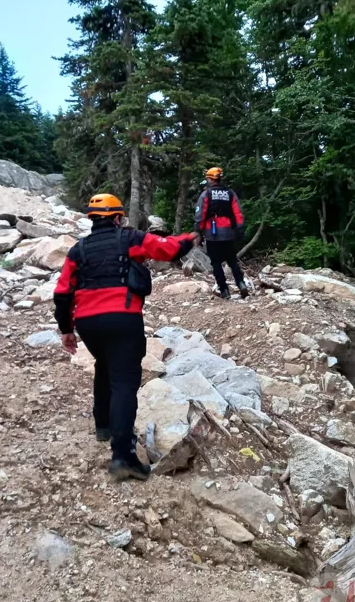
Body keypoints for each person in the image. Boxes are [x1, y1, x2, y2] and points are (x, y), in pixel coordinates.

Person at [53, 193, 199, 481]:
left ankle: (103, 425)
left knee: (104, 365)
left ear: (92, 220)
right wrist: (190, 237)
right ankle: (122, 456)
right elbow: (166, 249)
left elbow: (61, 294)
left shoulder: (77, 251)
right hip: (122, 317)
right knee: (123, 381)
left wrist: (67, 330)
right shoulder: (130, 239)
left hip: (87, 323)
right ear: (118, 218)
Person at [195, 167, 249, 300]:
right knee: (232, 260)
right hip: (228, 233)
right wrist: (239, 229)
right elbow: (238, 213)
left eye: (207, 178)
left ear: (211, 179)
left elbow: (200, 215)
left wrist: (198, 231)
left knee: (216, 262)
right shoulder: (230, 193)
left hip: (212, 234)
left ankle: (224, 290)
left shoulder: (206, 194)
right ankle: (241, 283)